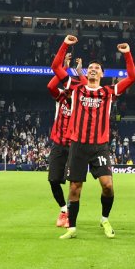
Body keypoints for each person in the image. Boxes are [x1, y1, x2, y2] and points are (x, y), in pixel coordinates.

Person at [58, 36, 135, 240]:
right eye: (90, 67)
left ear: (102, 73)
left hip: (99, 147)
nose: (93, 69)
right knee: (75, 188)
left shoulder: (109, 92)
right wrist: (66, 44)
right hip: (78, 146)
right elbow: (56, 68)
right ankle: (72, 228)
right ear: (86, 72)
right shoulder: (75, 89)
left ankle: (104, 218)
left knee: (108, 186)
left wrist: (127, 53)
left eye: (97, 68)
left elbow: (132, 76)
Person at [45, 39, 84, 227]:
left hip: (74, 145)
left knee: (72, 182)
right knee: (53, 180)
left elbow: (85, 87)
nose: (70, 88)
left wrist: (79, 73)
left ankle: (69, 214)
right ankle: (63, 209)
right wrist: (64, 68)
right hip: (59, 144)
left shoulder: (81, 100)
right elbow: (50, 86)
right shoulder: (60, 97)